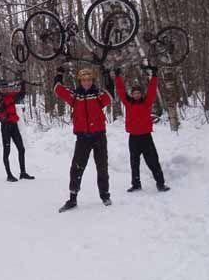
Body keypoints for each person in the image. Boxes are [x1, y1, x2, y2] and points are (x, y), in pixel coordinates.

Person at [54, 67, 112, 212]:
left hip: (99, 136)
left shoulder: (98, 94)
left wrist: (107, 75)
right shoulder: (75, 96)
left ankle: (105, 195)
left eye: (89, 80)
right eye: (84, 80)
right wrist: (59, 74)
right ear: (80, 81)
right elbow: (58, 89)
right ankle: (72, 199)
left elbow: (110, 95)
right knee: (76, 168)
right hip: (82, 137)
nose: (87, 82)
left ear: (92, 80)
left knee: (102, 167)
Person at [112, 67, 170, 193]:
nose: (136, 95)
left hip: (146, 137)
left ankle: (160, 184)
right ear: (132, 94)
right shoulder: (128, 103)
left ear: (141, 94)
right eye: (134, 93)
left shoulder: (147, 102)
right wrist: (117, 77)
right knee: (134, 162)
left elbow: (152, 90)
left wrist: (154, 76)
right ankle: (136, 184)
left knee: (153, 161)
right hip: (133, 138)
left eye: (138, 93)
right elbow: (121, 91)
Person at [0, 79, 35, 182]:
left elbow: (21, 94)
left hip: (14, 126)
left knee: (21, 149)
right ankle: (9, 175)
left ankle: (23, 173)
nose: (5, 89)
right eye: (3, 88)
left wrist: (23, 84)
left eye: (6, 87)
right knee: (7, 151)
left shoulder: (10, 95)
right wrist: (5, 118)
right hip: (6, 127)